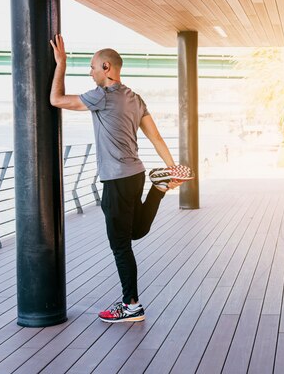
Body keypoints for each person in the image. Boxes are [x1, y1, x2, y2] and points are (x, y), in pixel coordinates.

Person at [49, 34, 185, 323]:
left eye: (93, 68)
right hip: (135, 174)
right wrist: (171, 167)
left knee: (121, 245)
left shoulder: (102, 96)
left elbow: (56, 99)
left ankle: (131, 305)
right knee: (133, 233)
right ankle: (158, 188)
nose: (91, 72)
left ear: (106, 67)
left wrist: (61, 63)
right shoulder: (135, 98)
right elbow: (156, 136)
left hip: (116, 179)